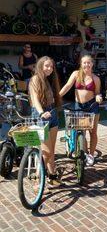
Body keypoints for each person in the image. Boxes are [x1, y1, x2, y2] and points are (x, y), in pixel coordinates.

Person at [59, 55, 102, 166]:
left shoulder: (96, 79)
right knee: (81, 130)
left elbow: (97, 92)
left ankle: (91, 155)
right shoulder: (76, 74)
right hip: (79, 106)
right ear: (81, 64)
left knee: (92, 132)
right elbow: (68, 86)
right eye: (84, 63)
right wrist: (57, 96)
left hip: (92, 106)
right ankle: (84, 151)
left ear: (92, 64)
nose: (86, 65)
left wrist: (98, 97)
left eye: (89, 63)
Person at [29, 56, 62, 186]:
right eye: (47, 66)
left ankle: (52, 175)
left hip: (52, 113)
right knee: (45, 151)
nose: (49, 68)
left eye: (51, 66)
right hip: (41, 115)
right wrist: (42, 112)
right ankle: (39, 177)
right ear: (41, 66)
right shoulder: (35, 79)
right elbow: (35, 99)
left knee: (51, 149)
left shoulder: (49, 80)